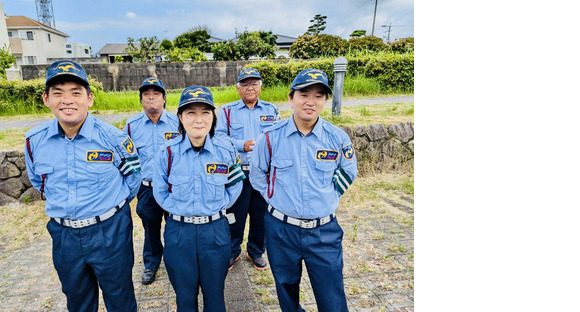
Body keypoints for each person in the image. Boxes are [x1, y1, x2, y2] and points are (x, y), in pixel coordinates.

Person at [24, 60, 141, 311]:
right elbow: (38, 181)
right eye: (58, 93)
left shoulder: (114, 138)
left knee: (120, 297)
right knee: (77, 301)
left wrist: (109, 209)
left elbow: (132, 180)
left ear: (89, 99)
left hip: (110, 231)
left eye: (75, 92)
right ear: (46, 99)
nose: (67, 100)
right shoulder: (34, 141)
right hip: (64, 235)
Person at [249, 68, 358, 312]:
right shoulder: (270, 137)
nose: (311, 102)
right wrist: (276, 197)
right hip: (281, 231)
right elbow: (258, 176)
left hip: (324, 233)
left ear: (325, 101)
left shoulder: (337, 138)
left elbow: (349, 171)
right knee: (286, 290)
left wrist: (328, 195)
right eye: (304, 94)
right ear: (291, 98)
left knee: (332, 297)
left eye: (319, 96)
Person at [153, 85, 244, 311]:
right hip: (179, 233)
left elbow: (235, 185)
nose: (199, 119)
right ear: (180, 118)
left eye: (205, 112)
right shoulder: (167, 152)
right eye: (191, 112)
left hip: (215, 232)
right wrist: (181, 210)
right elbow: (160, 192)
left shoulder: (227, 151)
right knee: (185, 298)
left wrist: (215, 208)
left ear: (213, 117)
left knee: (215, 297)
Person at [216, 67, 280, 271]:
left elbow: (277, 138)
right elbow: (218, 137)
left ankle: (255, 251)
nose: (249, 87)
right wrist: (240, 144)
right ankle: (232, 251)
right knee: (235, 214)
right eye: (245, 84)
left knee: (261, 215)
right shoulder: (227, 111)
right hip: (239, 172)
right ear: (237, 88)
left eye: (254, 83)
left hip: (263, 172)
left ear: (261, 86)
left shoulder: (271, 110)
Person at [123, 77, 179, 285]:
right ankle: (151, 263)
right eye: (146, 95)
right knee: (151, 227)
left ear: (164, 99)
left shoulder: (177, 122)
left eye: (156, 94)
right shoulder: (131, 126)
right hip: (146, 189)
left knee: (175, 227)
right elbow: (125, 157)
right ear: (141, 100)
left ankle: (176, 262)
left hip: (173, 188)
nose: (151, 98)